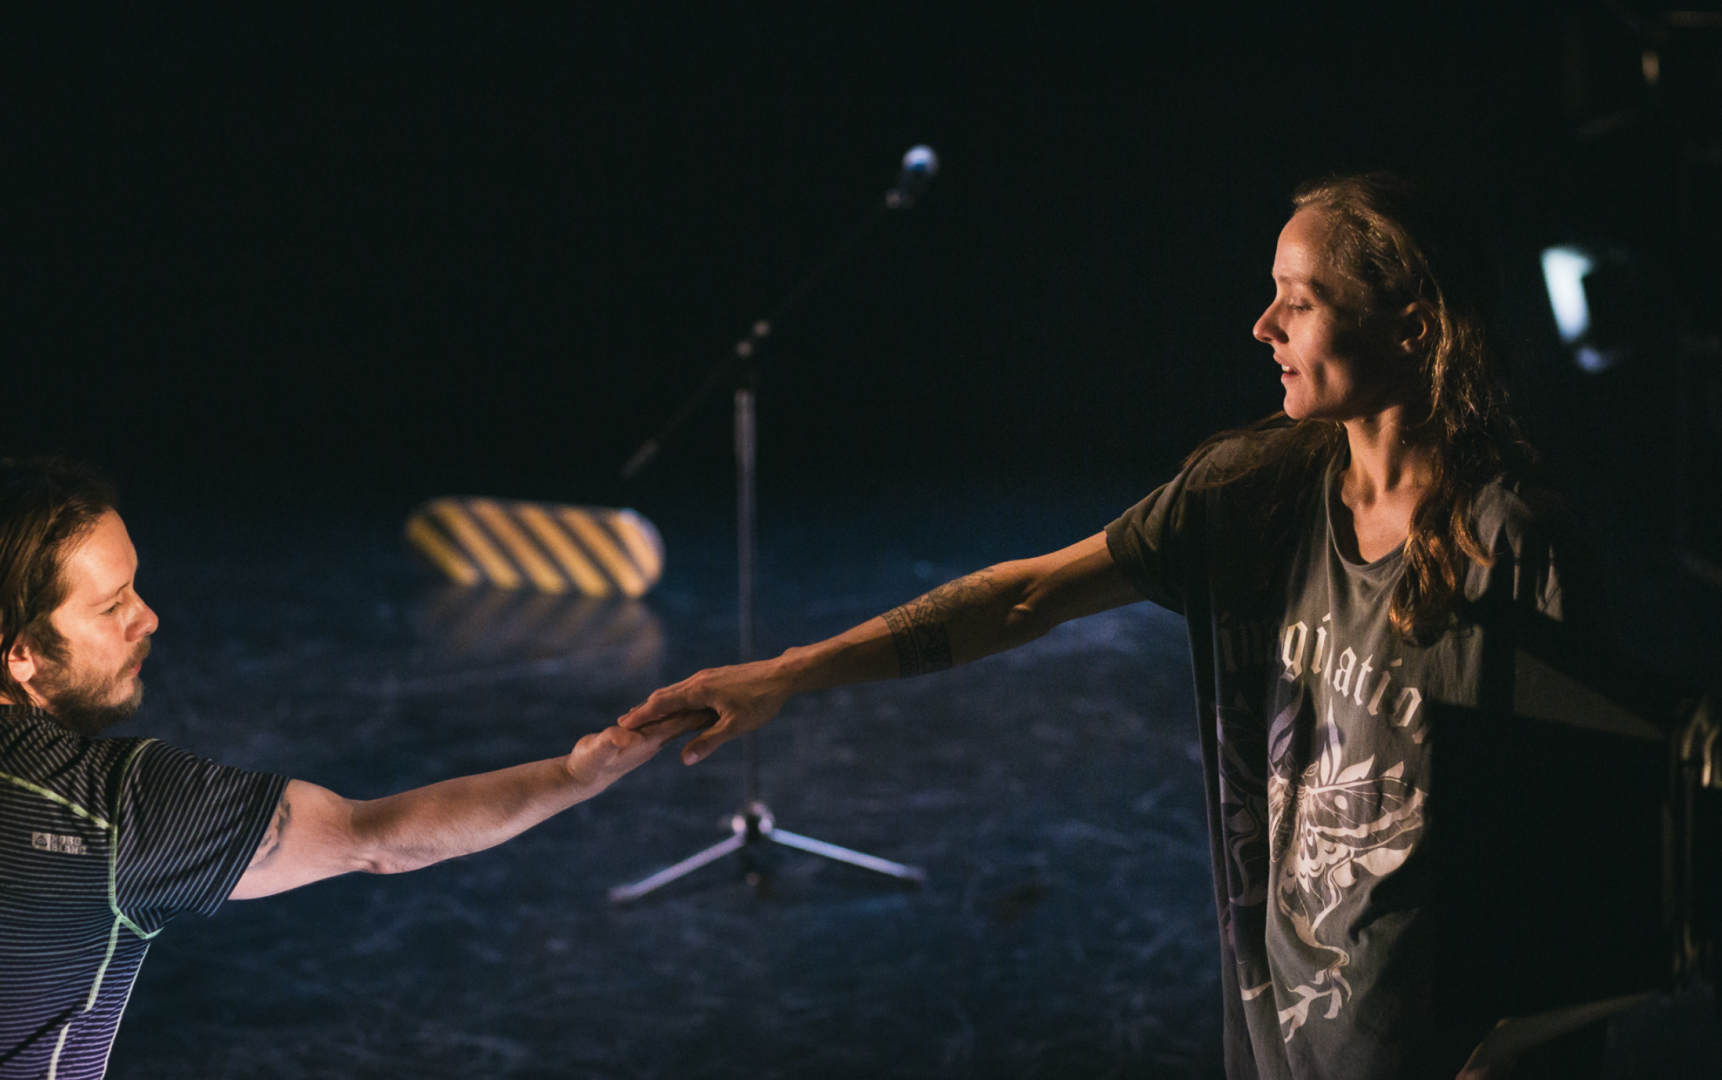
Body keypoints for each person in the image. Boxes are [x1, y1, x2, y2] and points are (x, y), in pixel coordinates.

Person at [621, 173, 1592, 1079]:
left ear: (1413, 328)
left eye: (1299, 301)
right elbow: (1024, 596)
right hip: (1282, 1040)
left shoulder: (1513, 548)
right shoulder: (1252, 491)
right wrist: (788, 673)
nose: (1262, 326)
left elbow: (1583, 868)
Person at [0, 458, 701, 1080]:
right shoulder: (108, 807)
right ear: (21, 652)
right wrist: (577, 778)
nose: (146, 617)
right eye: (111, 605)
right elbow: (376, 838)